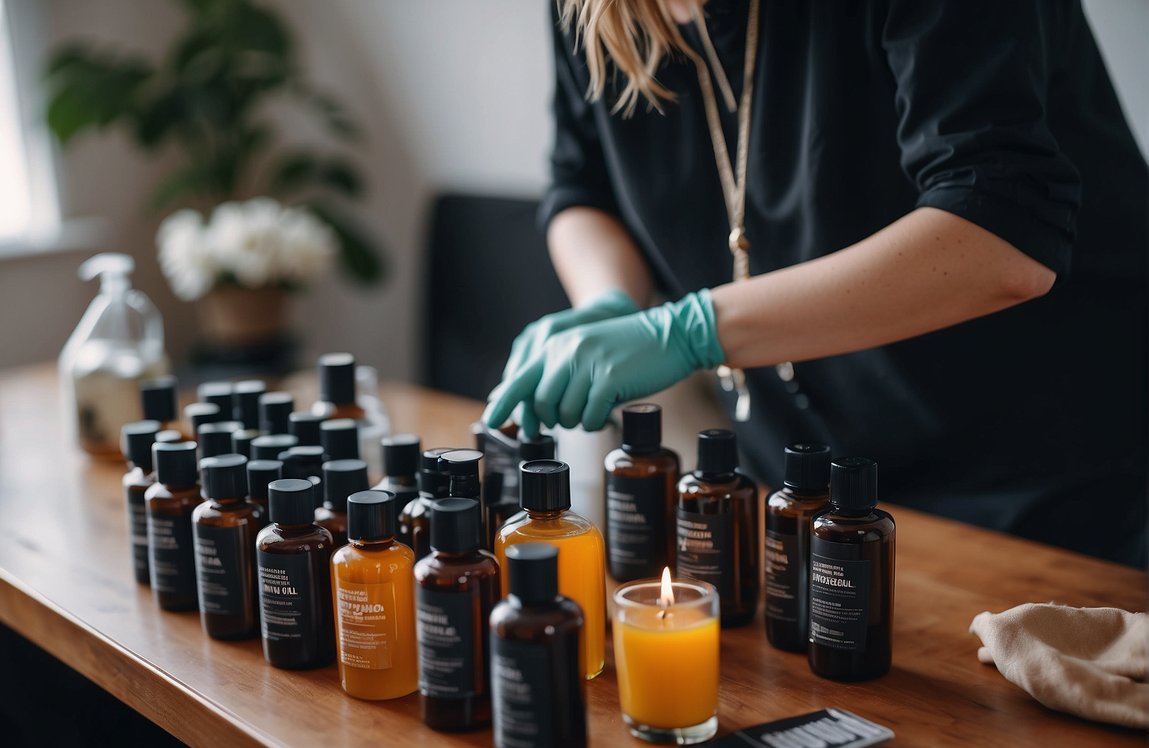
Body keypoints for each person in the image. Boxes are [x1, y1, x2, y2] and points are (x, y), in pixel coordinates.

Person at [482, 0, 1147, 566]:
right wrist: (610, 301)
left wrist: (690, 330)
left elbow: (1001, 231)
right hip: (811, 493)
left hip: (1050, 495)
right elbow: (581, 185)